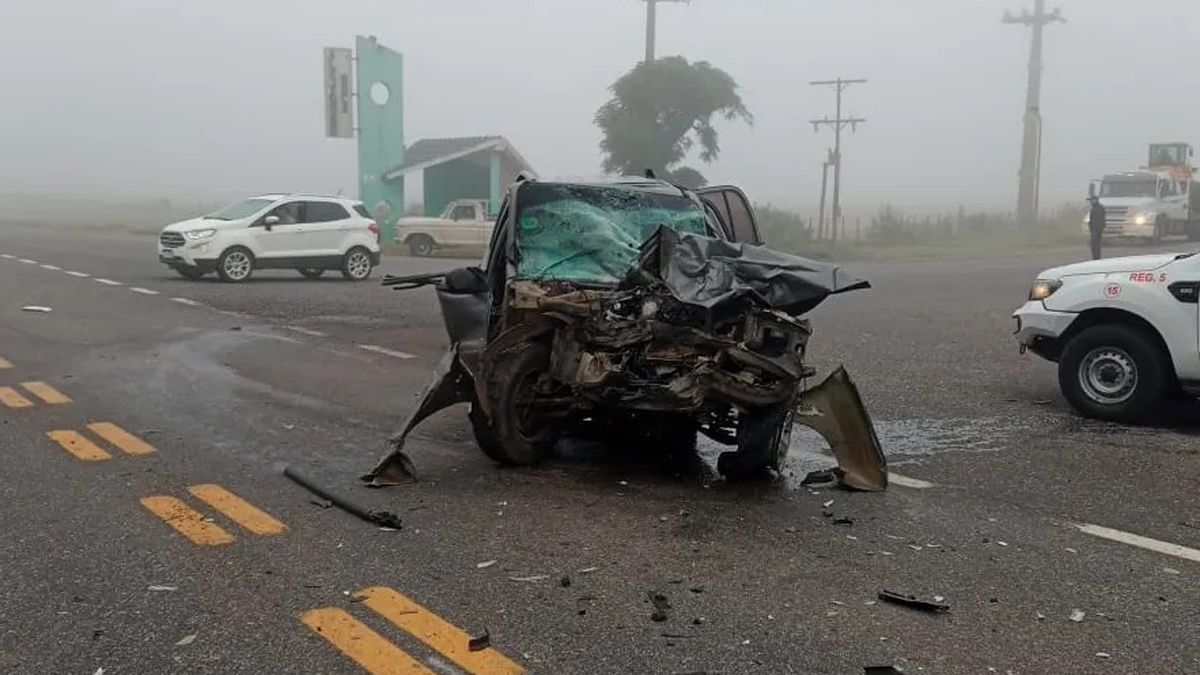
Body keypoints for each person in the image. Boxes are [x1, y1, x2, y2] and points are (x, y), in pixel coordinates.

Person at [1087, 196, 1106, 260]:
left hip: (1097, 228)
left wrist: (1099, 228)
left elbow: (1100, 219)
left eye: (1093, 200)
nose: (1091, 202)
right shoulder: (1094, 208)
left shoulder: (1099, 208)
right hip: (1094, 228)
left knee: (1095, 244)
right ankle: (1095, 256)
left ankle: (1096, 257)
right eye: (1091, 200)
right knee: (1094, 244)